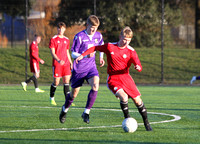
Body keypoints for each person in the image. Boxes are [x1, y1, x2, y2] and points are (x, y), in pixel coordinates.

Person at [75, 26, 152, 131]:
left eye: (128, 40)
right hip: (113, 79)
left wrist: (138, 67)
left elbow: (139, 66)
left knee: (137, 101)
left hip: (126, 78)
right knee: (124, 97)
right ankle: (127, 119)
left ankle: (147, 124)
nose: (126, 42)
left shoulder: (131, 51)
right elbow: (94, 48)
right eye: (124, 39)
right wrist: (82, 55)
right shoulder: (110, 46)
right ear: (120, 36)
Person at [59, 15, 105, 124]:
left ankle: (86, 112)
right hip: (79, 69)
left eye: (96, 28)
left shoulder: (98, 36)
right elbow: (73, 53)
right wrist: (84, 56)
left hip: (91, 68)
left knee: (95, 85)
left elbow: (102, 46)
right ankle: (64, 110)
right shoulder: (79, 36)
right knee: (73, 94)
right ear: (87, 25)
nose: (94, 30)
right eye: (92, 27)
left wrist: (101, 57)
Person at [49, 22, 73, 106]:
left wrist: (70, 62)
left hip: (66, 64)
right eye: (59, 28)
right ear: (57, 29)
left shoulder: (66, 39)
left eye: (62, 28)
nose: (60, 30)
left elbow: (67, 52)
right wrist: (58, 60)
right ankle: (51, 98)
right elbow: (52, 52)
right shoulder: (53, 39)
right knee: (56, 82)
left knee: (66, 81)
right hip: (57, 64)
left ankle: (68, 101)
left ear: (64, 29)